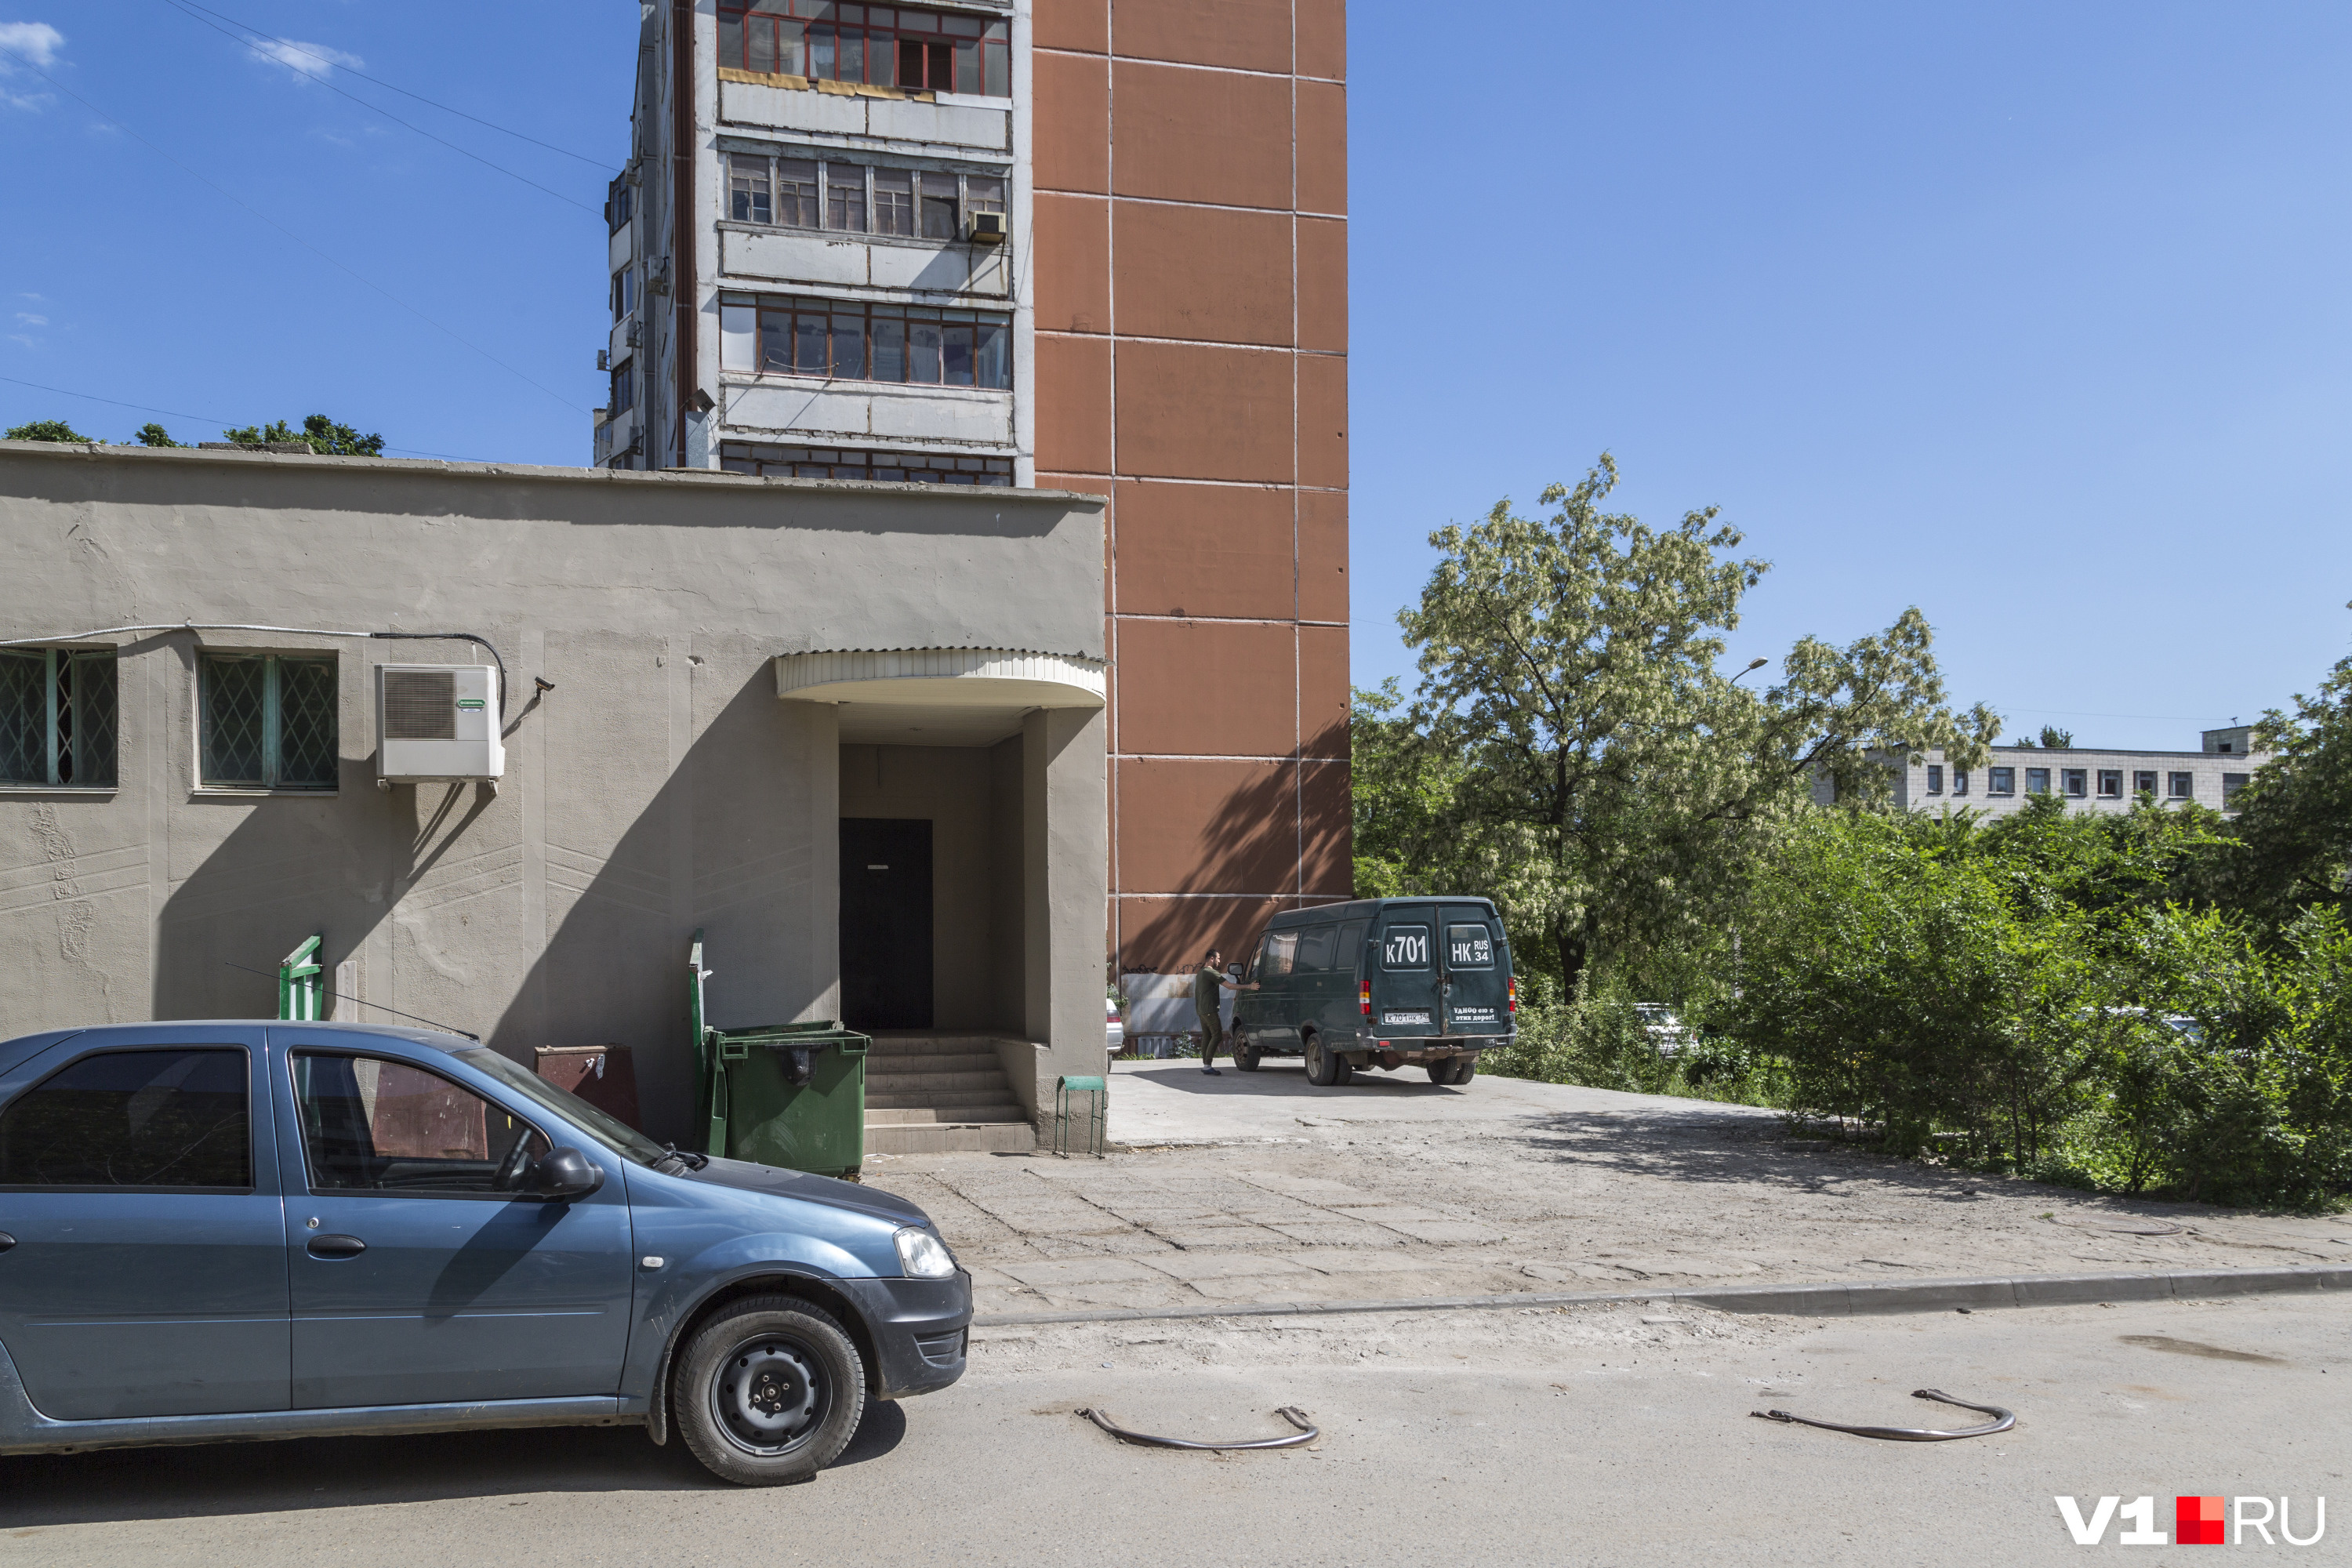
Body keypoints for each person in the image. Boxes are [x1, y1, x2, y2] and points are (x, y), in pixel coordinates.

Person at [1193, 948, 1257, 1076]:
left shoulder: (1201, 973)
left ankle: (1206, 1064)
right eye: (1218, 958)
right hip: (1210, 1010)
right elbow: (1229, 985)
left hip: (1201, 1010)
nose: (1219, 961)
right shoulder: (1210, 973)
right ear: (1211, 959)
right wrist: (1249, 987)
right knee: (1217, 1035)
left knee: (1207, 1036)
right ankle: (1207, 1065)